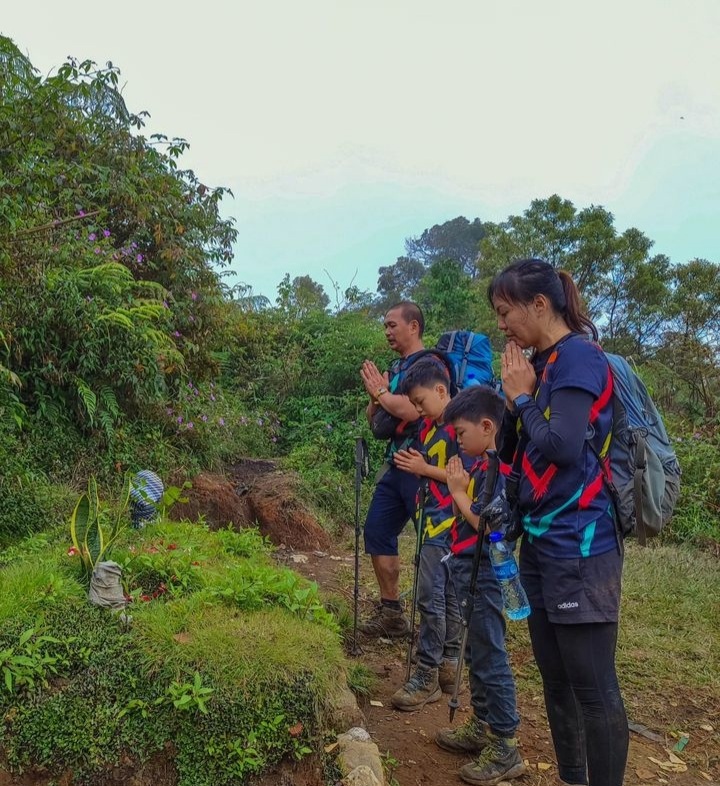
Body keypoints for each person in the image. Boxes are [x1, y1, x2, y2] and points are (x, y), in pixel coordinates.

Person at [490, 258, 628, 786]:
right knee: (555, 678)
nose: (502, 325)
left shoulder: (579, 360)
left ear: (539, 305)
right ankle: (572, 777)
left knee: (593, 687)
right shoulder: (538, 365)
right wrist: (514, 401)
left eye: (507, 313)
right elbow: (519, 450)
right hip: (542, 544)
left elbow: (565, 448)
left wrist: (523, 398)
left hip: (583, 545)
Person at [438, 385, 526, 786]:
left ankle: (505, 743)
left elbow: (493, 530)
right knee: (475, 651)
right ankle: (482, 722)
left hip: (488, 572)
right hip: (466, 568)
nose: (457, 441)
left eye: (460, 432)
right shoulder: (478, 463)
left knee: (490, 653)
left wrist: (457, 493)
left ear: (487, 426)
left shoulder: (502, 468)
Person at [389, 359, 463, 710]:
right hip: (432, 522)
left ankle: (428, 673)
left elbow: (468, 476)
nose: (418, 409)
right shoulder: (430, 427)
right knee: (444, 594)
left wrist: (423, 468)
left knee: (430, 596)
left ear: (440, 389)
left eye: (420, 402)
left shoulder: (459, 427)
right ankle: (449, 663)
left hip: (449, 525)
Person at [358, 301, 427, 638]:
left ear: (413, 327)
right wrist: (375, 400)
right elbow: (378, 424)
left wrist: (382, 393)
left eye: (392, 325)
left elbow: (414, 412)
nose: (386, 331)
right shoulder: (396, 367)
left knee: (431, 543)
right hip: (395, 462)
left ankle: (442, 627)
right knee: (376, 530)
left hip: (422, 464)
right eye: (384, 326)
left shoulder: (429, 366)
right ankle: (391, 614)